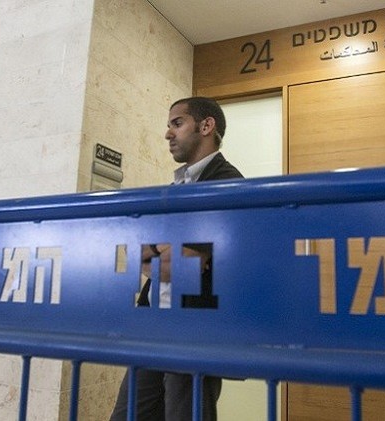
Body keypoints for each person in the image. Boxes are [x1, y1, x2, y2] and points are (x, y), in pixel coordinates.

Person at [109, 97, 244, 421]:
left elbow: (182, 265)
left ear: (206, 126)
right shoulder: (176, 185)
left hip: (194, 328)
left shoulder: (227, 182)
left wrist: (155, 251)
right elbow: (134, 253)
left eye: (177, 123)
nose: (168, 133)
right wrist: (161, 250)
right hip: (153, 322)